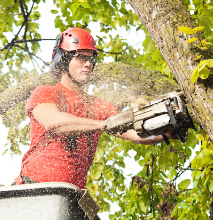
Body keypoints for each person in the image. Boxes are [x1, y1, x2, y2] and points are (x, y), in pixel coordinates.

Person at [15, 28, 170, 188]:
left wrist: (167, 131)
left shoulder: (99, 107)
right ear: (62, 60)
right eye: (81, 58)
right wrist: (101, 125)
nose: (88, 64)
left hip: (71, 196)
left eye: (91, 59)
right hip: (32, 190)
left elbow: (136, 134)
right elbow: (54, 122)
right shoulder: (46, 92)